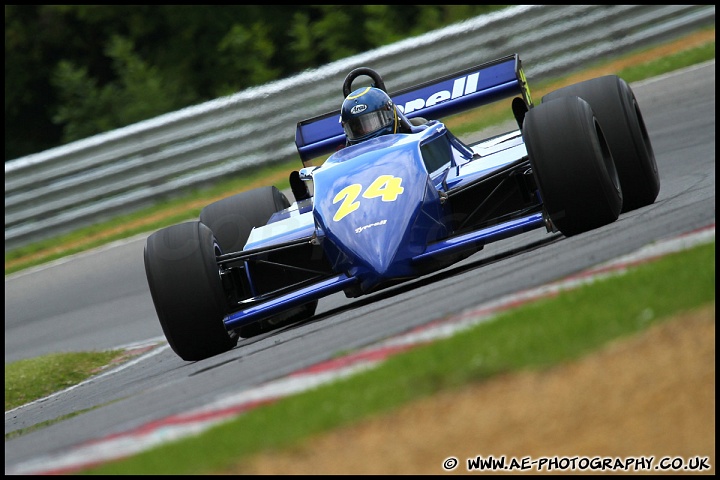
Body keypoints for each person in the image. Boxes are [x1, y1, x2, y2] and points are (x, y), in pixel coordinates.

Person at [340, 86, 427, 146]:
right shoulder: (346, 160)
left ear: (390, 114)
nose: (365, 130)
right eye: (358, 128)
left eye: (372, 122)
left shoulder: (420, 132)